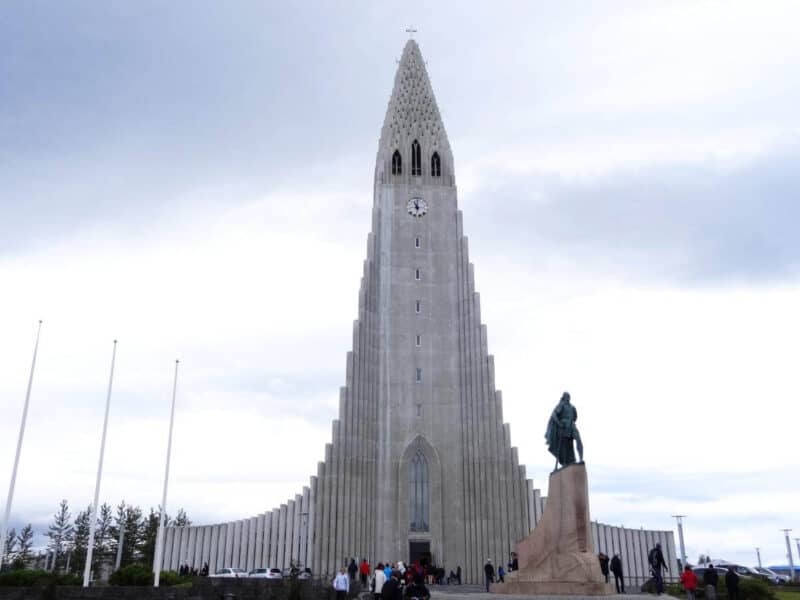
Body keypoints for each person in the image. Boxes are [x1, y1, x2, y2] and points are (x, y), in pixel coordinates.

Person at [545, 391, 584, 467]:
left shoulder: (573, 407)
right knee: (565, 445)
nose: (567, 398)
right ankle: (565, 463)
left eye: (568, 396)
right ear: (563, 397)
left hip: (572, 426)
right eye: (566, 396)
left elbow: (575, 417)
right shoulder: (561, 405)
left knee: (578, 439)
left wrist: (571, 422)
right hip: (564, 426)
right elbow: (554, 415)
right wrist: (559, 423)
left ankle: (581, 459)